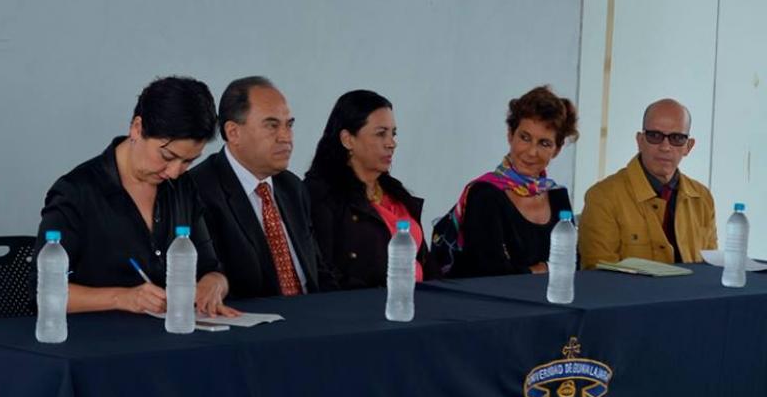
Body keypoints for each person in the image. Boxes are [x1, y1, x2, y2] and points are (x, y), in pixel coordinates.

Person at [36, 76, 236, 316]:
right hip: (98, 334)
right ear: (137, 128)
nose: (174, 172)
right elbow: (42, 293)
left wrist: (214, 284)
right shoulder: (76, 192)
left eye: (188, 161)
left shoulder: (183, 187)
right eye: (167, 156)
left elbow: (211, 268)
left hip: (173, 330)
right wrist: (123, 298)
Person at [190, 76, 335, 299]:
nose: (286, 137)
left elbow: (318, 271)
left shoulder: (292, 187)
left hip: (312, 311)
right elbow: (213, 280)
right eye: (272, 125)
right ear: (233, 132)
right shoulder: (199, 190)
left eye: (289, 125)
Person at [436, 85, 578, 278]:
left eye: (544, 143)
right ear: (510, 135)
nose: (531, 152)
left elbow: (573, 264)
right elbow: (491, 273)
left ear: (557, 150)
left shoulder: (557, 196)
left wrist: (529, 271)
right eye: (525, 138)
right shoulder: (485, 194)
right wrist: (544, 269)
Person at [304, 90, 430, 290]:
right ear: (348, 139)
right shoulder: (321, 195)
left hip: (420, 300)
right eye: (381, 134)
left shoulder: (397, 194)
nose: (391, 144)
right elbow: (324, 272)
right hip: (365, 304)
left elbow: (427, 263)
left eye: (393, 134)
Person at [578, 98, 716, 269]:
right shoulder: (603, 197)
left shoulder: (702, 198)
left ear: (689, 146)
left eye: (677, 138)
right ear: (640, 140)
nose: (665, 147)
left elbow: (711, 269)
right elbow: (598, 275)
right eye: (655, 136)